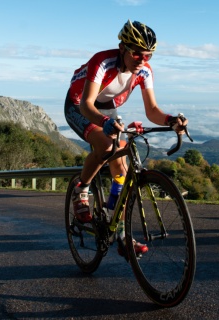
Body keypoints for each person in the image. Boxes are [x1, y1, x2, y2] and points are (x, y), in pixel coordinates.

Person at [64, 20, 187, 255]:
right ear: (122, 48)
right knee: (106, 145)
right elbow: (88, 104)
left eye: (148, 56)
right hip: (80, 104)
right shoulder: (102, 61)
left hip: (107, 109)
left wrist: (171, 120)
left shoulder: (144, 71)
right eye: (137, 54)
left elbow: (152, 111)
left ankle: (120, 233)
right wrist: (105, 123)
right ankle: (82, 189)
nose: (142, 60)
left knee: (122, 169)